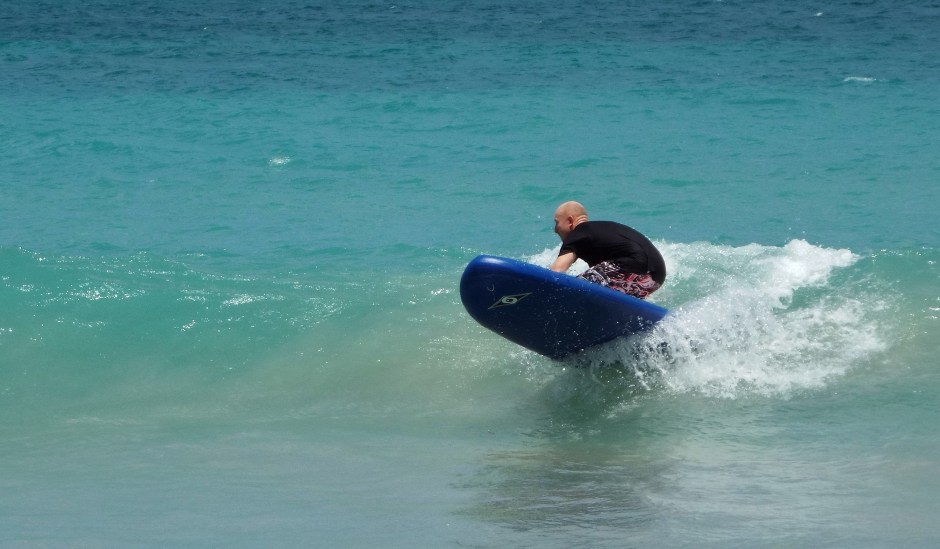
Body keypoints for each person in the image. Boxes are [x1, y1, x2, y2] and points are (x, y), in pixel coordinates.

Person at [549, 201, 666, 299]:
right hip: (657, 275)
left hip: (631, 264)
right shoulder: (604, 229)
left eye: (557, 222)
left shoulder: (577, 233)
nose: (555, 230)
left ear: (570, 221)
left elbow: (556, 271)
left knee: (574, 289)